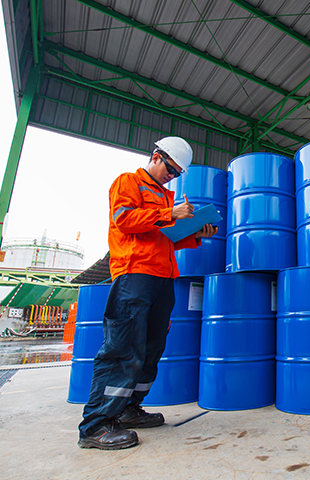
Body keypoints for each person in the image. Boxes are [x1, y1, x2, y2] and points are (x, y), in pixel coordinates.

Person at [77, 136, 218, 450]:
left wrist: (196, 233)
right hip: (134, 275)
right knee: (122, 348)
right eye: (171, 168)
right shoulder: (129, 182)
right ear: (156, 157)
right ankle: (96, 425)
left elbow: (167, 238)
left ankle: (128, 408)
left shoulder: (168, 198)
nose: (172, 175)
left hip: (164, 277)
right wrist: (171, 215)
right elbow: (123, 220)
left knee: (152, 348)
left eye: (177, 173)